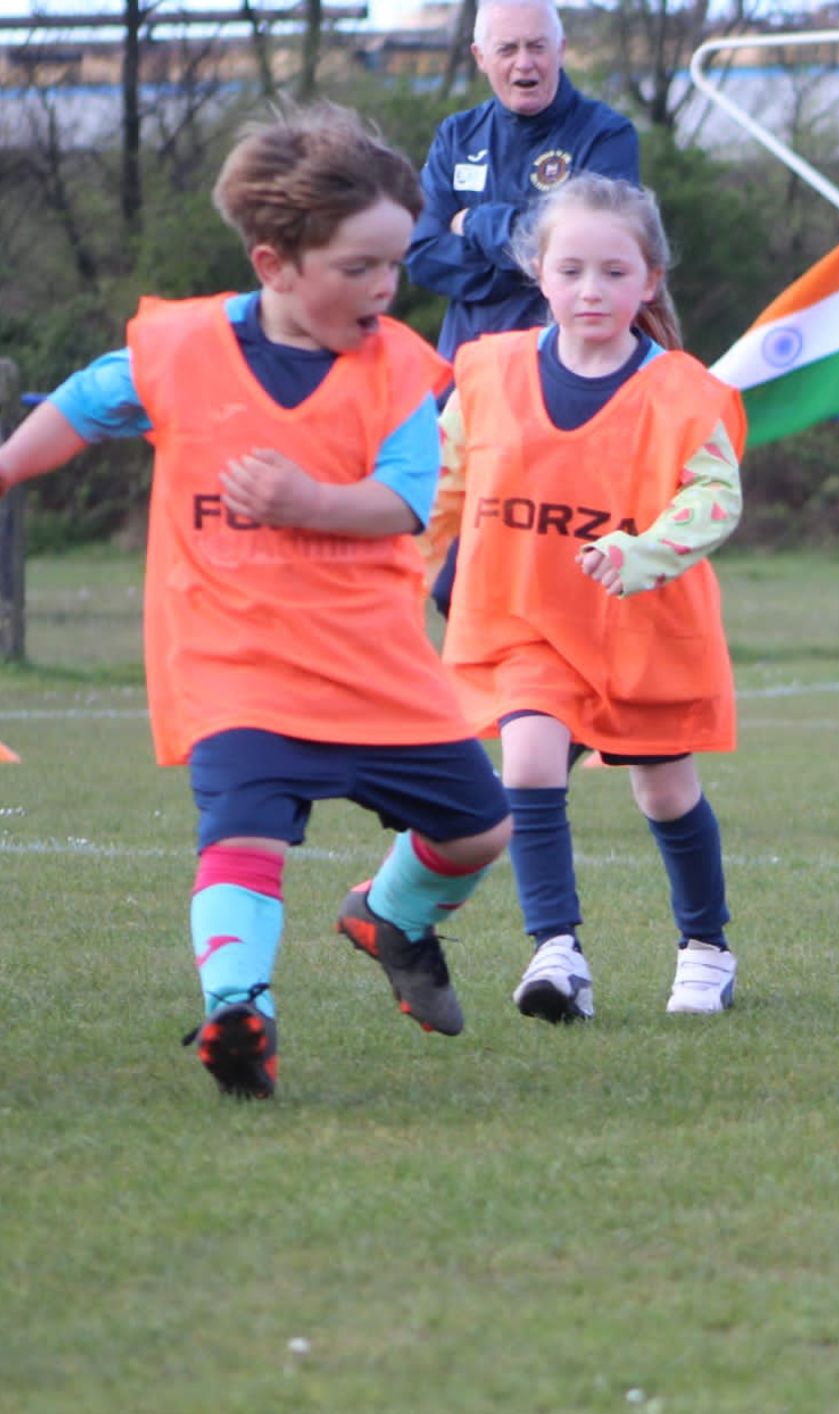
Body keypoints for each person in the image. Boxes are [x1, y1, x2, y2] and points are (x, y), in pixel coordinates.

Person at [0, 105, 512, 1099]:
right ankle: (240, 1009)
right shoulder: (186, 350)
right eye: (358, 267)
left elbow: (406, 500)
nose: (384, 288)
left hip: (371, 663)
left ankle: (389, 915)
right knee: (241, 836)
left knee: (480, 829)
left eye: (394, 265)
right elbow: (87, 401)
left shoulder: (399, 373)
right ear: (277, 264)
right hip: (234, 662)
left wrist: (310, 500)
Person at [431, 174, 746, 1022]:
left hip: (644, 628)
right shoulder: (489, 373)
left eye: (613, 272)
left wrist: (642, 552)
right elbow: (444, 485)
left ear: (649, 280)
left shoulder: (681, 389)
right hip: (527, 626)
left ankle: (706, 948)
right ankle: (556, 954)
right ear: (539, 272)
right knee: (528, 760)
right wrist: (393, 567)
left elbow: (716, 497)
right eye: (571, 270)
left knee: (664, 792)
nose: (591, 290)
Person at [407, 0, 640, 361]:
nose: (524, 63)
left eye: (536, 46)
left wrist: (475, 221)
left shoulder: (606, 136)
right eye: (507, 49)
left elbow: (593, 249)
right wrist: (537, 268)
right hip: (467, 372)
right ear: (480, 57)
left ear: (560, 50)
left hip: (564, 370)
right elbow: (421, 255)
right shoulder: (457, 136)